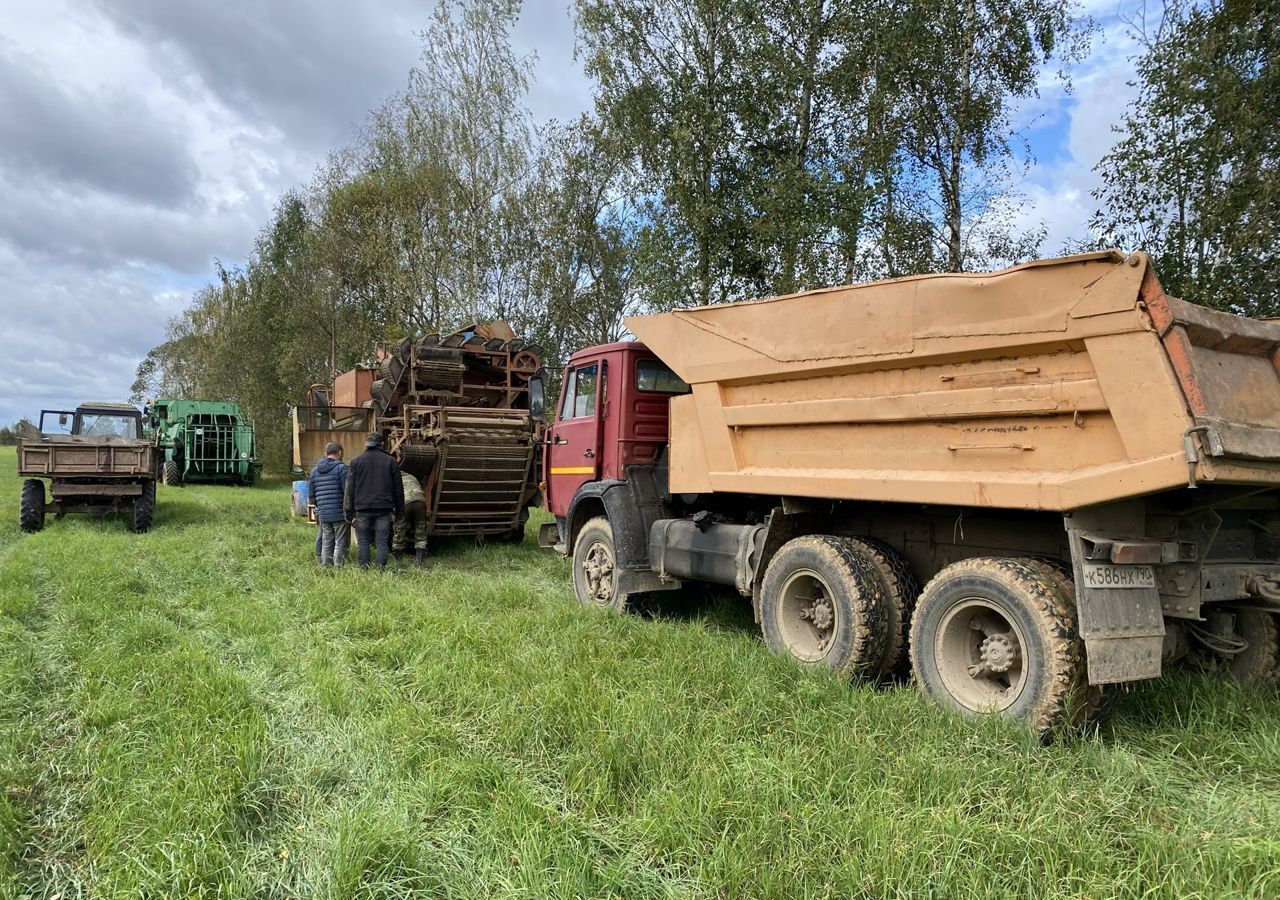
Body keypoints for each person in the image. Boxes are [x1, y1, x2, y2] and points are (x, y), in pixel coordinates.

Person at [344, 432, 404, 570]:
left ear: (367, 445)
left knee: (363, 541)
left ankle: (363, 568)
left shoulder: (356, 461)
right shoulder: (391, 461)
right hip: (383, 509)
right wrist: (400, 511)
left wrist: (348, 511)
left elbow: (350, 489)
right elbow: (398, 489)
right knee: (382, 542)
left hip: (362, 508)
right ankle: (380, 569)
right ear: (382, 444)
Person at [309, 442, 349, 567]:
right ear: (340, 453)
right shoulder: (341, 468)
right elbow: (347, 492)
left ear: (326, 453)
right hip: (339, 513)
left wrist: (321, 507)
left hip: (324, 513)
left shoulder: (314, 471)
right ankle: (338, 567)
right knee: (340, 542)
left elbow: (311, 497)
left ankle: (326, 566)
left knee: (327, 541)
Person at [394, 469, 430, 567]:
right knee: (421, 533)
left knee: (399, 532)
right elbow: (422, 491)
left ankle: (398, 562)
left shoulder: (394, 478)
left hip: (406, 504)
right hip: (420, 503)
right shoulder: (412, 476)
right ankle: (420, 562)